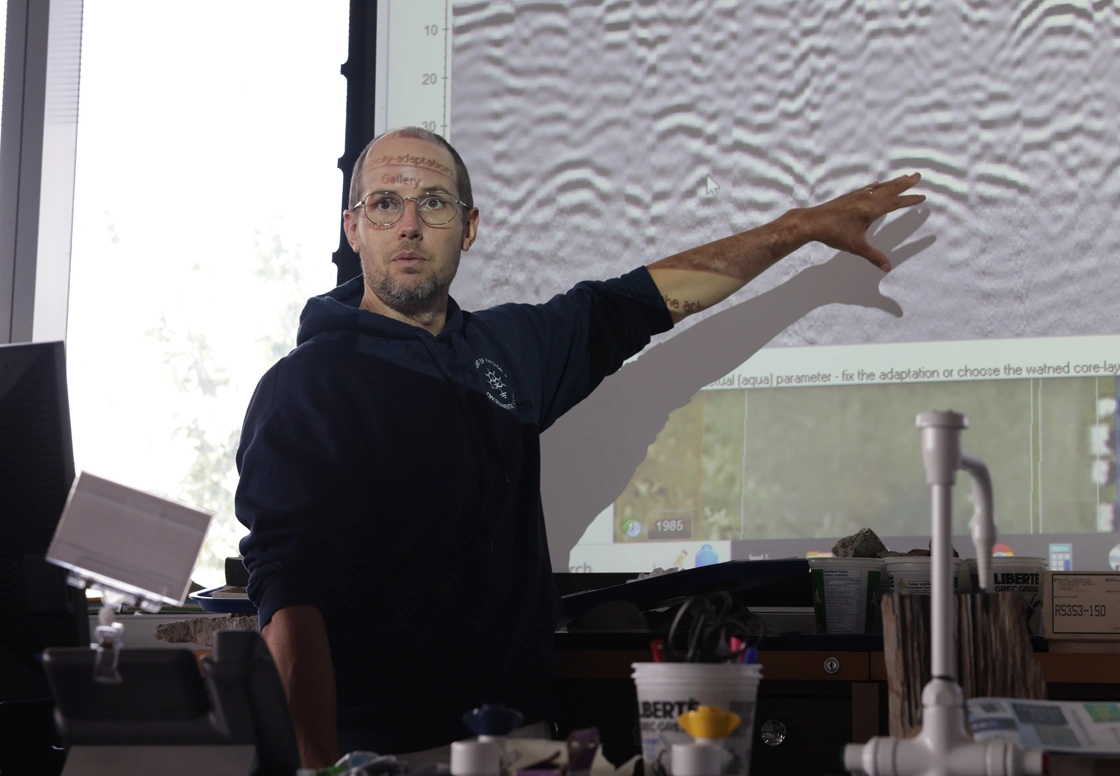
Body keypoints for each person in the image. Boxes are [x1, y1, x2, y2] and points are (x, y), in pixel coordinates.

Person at [235, 126, 925, 768]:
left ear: (469, 229)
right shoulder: (307, 385)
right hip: (384, 755)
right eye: (385, 204)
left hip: (522, 740)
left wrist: (796, 230)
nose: (410, 224)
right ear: (354, 228)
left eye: (435, 203)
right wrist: (317, 769)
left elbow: (644, 300)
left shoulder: (506, 350)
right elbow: (291, 602)